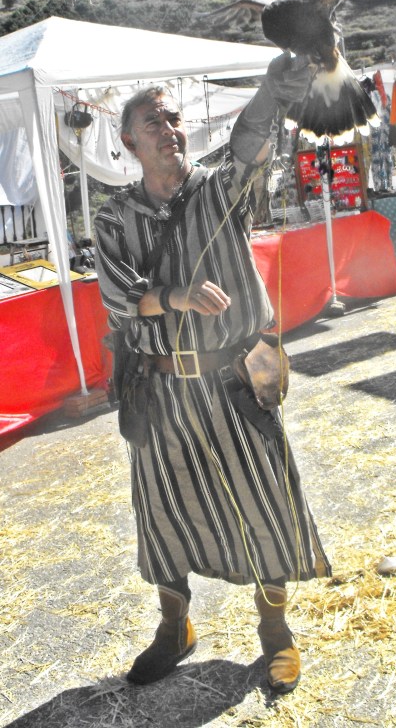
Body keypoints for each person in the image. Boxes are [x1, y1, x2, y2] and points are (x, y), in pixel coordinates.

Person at [94, 52, 332, 693]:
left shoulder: (219, 189)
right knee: (162, 511)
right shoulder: (114, 215)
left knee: (264, 500)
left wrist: (267, 96)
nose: (168, 128)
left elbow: (250, 147)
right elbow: (118, 294)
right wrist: (175, 295)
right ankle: (175, 629)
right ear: (128, 142)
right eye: (152, 122)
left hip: (230, 381)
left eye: (172, 117)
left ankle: (276, 634)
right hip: (158, 385)